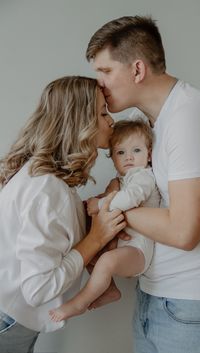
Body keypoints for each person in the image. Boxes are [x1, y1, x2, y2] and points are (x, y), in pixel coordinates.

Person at [86, 15, 200, 353]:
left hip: (194, 310)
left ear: (137, 70)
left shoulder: (191, 115)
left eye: (105, 71)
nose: (99, 83)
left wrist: (110, 206)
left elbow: (183, 232)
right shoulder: (146, 124)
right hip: (156, 297)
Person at [0, 75, 126, 353]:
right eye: (103, 113)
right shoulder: (46, 189)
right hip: (9, 321)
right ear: (80, 123)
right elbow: (38, 290)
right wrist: (95, 238)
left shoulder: (47, 181)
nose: (111, 121)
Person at [49, 118, 160, 322]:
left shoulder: (143, 176)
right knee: (89, 253)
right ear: (112, 158)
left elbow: (129, 198)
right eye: (120, 152)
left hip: (138, 249)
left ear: (149, 154)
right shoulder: (123, 179)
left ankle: (80, 302)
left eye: (136, 150)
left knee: (107, 261)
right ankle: (109, 290)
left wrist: (99, 205)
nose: (129, 157)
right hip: (124, 245)